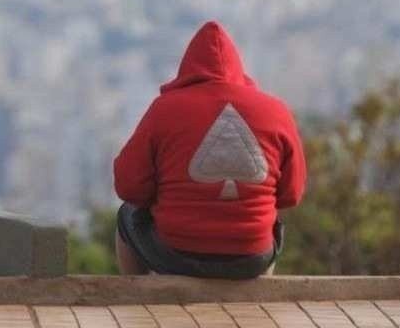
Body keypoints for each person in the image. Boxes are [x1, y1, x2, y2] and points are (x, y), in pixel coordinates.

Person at [112, 21, 306, 279]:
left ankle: (136, 298)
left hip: (175, 254)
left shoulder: (164, 110)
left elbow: (129, 187)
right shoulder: (275, 112)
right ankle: (258, 300)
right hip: (251, 258)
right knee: (270, 222)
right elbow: (290, 194)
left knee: (126, 215)